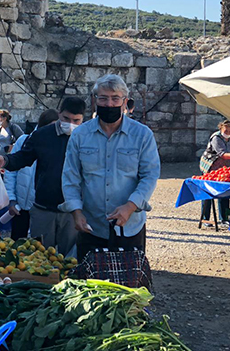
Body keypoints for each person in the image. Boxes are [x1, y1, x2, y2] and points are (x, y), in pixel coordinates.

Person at [62, 74, 161, 262]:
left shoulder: (142, 135)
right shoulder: (80, 135)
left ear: (125, 102)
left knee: (128, 286)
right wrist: (76, 211)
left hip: (130, 227)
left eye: (115, 99)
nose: (109, 104)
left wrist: (130, 206)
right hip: (91, 227)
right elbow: (70, 177)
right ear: (94, 101)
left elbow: (149, 175)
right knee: (89, 286)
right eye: (103, 98)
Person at [0, 97, 86, 254]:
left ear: (83, 119)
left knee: (71, 261)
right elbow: (23, 157)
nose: (71, 124)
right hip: (43, 209)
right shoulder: (42, 135)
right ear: (59, 114)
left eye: (76, 120)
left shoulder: (87, 137)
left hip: (73, 212)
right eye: (66, 119)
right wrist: (6, 160)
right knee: (39, 258)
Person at [3, 109, 60, 239]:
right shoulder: (24, 141)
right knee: (17, 245)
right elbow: (11, 173)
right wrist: (11, 199)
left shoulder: (59, 146)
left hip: (42, 208)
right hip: (21, 207)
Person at [200, 120, 230, 224]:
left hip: (224, 168)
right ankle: (205, 218)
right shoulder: (216, 138)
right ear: (221, 128)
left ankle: (223, 217)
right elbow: (222, 153)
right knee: (208, 192)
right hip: (210, 167)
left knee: (224, 191)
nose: (228, 133)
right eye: (226, 130)